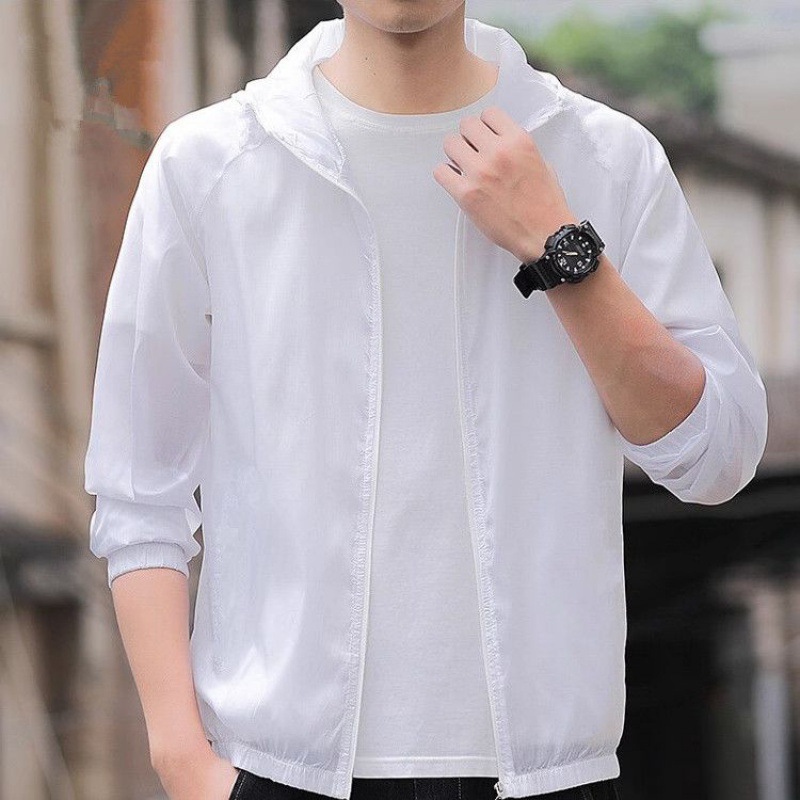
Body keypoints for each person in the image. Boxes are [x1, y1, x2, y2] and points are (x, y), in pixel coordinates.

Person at [83, 3, 768, 800]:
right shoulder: (211, 164)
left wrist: (560, 248)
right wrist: (183, 762)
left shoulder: (607, 158)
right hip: (276, 769)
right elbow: (139, 490)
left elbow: (716, 456)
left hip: (549, 775)